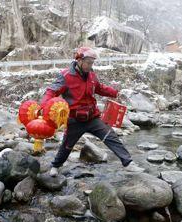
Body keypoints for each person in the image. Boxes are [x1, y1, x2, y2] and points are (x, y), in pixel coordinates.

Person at [40, 47, 142, 177]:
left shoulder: (92, 75)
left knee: (110, 136)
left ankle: (128, 163)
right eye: (88, 62)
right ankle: (55, 165)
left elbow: (99, 88)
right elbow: (51, 91)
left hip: (92, 117)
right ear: (79, 61)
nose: (90, 65)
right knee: (67, 145)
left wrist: (115, 93)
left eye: (92, 63)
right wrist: (43, 106)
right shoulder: (65, 76)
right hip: (74, 119)